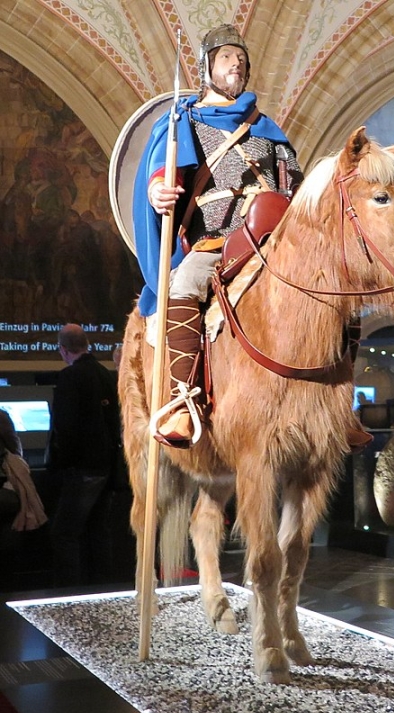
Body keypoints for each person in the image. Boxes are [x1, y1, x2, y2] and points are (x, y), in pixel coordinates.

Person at [133, 24, 372, 452]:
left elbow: (294, 184)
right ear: (207, 67)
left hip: (274, 240)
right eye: (227, 57)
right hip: (217, 242)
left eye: (241, 59)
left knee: (342, 295)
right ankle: (184, 400)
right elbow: (163, 172)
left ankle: (341, 406)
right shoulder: (185, 121)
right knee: (184, 284)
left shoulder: (265, 127)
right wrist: (157, 191)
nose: (237, 64)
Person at [47, 323, 121, 587]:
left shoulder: (70, 377)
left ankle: (68, 594)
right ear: (87, 344)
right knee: (98, 531)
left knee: (64, 534)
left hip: (82, 469)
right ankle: (102, 589)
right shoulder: (105, 374)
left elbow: (65, 427)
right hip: (107, 467)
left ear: (63, 350)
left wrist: (61, 463)